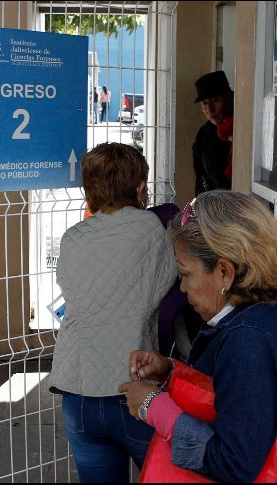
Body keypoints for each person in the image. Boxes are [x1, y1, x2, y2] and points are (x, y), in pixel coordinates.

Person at [119, 190, 277, 483]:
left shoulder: (249, 340)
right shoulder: (256, 317)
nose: (182, 287)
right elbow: (230, 394)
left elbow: (233, 463)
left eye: (186, 274)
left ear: (224, 272)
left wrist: (153, 407)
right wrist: (170, 371)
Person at [49, 142, 178, 483]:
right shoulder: (152, 228)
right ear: (140, 187)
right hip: (134, 387)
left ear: (88, 191)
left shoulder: (72, 237)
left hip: (77, 391)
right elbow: (171, 281)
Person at [192, 71, 234, 195]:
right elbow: (200, 177)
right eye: (204, 103)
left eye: (215, 100)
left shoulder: (242, 126)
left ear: (229, 98)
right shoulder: (204, 135)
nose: (209, 109)